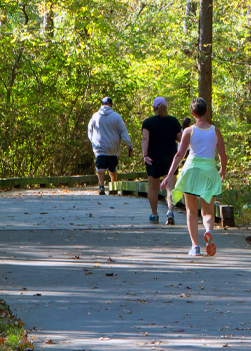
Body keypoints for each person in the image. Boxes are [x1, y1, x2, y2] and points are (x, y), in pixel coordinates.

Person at [163, 97, 227, 257]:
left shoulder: (189, 131)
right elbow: (222, 156)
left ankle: (195, 247)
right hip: (209, 172)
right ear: (206, 112)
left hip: (191, 171)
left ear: (193, 113)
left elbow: (179, 155)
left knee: (191, 211)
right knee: (208, 212)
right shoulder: (215, 131)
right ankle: (208, 231)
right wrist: (222, 172)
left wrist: (169, 176)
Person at [141, 96, 183, 224]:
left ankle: (154, 214)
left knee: (153, 188)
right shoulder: (173, 121)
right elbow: (181, 139)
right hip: (170, 158)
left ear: (154, 108)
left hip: (153, 158)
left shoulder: (148, 122)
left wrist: (145, 154)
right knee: (171, 188)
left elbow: (145, 139)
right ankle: (170, 212)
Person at [87, 96, 133, 196]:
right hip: (113, 148)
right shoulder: (117, 117)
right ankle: (113, 187)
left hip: (99, 146)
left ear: (102, 105)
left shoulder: (95, 116)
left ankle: (101, 186)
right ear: (111, 105)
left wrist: (93, 142)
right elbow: (123, 131)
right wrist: (129, 145)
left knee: (101, 167)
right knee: (113, 168)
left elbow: (89, 130)